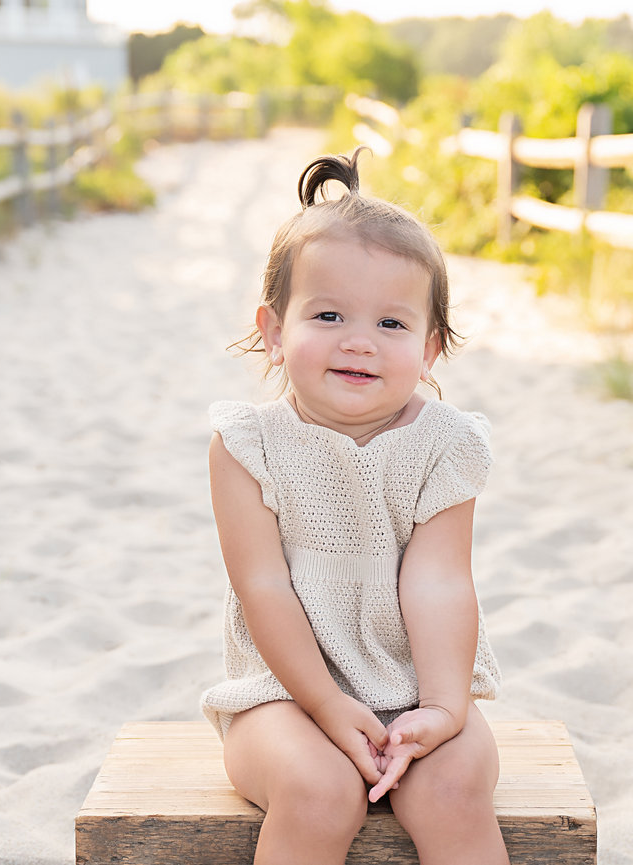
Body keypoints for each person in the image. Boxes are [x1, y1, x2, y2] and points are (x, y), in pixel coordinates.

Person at [201, 147, 508, 865]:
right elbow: (264, 587)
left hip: (415, 683)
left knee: (453, 788)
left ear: (431, 348)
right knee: (319, 790)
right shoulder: (247, 445)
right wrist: (329, 705)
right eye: (329, 314)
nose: (360, 343)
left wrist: (440, 707)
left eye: (393, 325)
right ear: (276, 330)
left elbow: (437, 581)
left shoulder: (445, 443)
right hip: (280, 694)